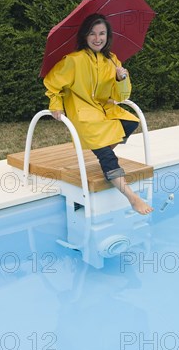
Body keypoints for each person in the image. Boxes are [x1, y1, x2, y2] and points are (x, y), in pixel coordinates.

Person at [43, 13, 153, 215]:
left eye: (102, 33)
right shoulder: (73, 61)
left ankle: (103, 154)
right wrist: (56, 104)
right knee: (106, 154)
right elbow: (52, 84)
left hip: (104, 110)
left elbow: (121, 95)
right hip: (83, 114)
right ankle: (132, 197)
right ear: (85, 35)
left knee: (130, 122)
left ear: (107, 35)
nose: (97, 38)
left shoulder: (111, 60)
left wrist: (122, 78)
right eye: (92, 33)